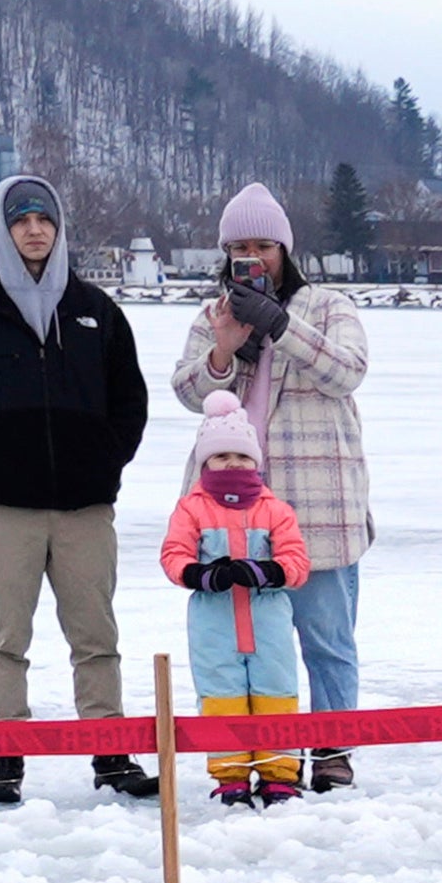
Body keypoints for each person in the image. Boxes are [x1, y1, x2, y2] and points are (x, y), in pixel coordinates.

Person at [0, 174, 157, 808]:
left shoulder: (96, 311)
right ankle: (4, 759)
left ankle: (111, 753)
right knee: (5, 637)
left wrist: (106, 459)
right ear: (2, 228)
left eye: (44, 219)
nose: (34, 230)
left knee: (95, 635)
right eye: (21, 220)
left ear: (59, 227)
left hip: (84, 506)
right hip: (4, 505)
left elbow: (129, 398)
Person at [172, 181, 376, 792]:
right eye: (240, 248)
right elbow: (187, 393)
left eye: (264, 245)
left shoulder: (328, 306)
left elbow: (348, 372)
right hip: (230, 509)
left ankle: (333, 748)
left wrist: (281, 327)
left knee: (326, 638)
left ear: (286, 249)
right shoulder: (215, 315)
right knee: (243, 645)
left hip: (316, 502)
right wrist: (224, 352)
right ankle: (256, 754)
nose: (253, 258)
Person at [156, 408, 314, 807]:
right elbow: (174, 555)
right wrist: (203, 575)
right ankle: (231, 776)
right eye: (222, 456)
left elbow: (297, 562)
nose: (233, 463)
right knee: (221, 693)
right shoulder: (191, 508)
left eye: (242, 456)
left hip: (268, 620)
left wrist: (267, 571)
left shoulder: (275, 510)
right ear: (205, 462)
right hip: (215, 622)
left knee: (275, 691)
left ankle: (279, 773)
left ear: (256, 462)